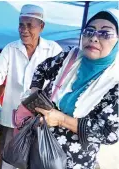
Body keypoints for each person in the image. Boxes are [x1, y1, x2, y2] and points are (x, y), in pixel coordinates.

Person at [0, 4, 62, 169]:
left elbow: (60, 81)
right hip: (12, 115)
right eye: (21, 25)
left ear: (41, 27)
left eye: (30, 25)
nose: (24, 29)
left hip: (41, 117)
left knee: (36, 159)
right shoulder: (10, 48)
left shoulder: (53, 49)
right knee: (8, 159)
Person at [30, 9, 118, 169]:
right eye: (89, 31)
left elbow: (109, 133)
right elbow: (41, 69)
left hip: (75, 161)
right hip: (40, 147)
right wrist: (34, 93)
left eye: (105, 34)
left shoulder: (115, 81)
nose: (94, 38)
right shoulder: (68, 59)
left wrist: (61, 119)